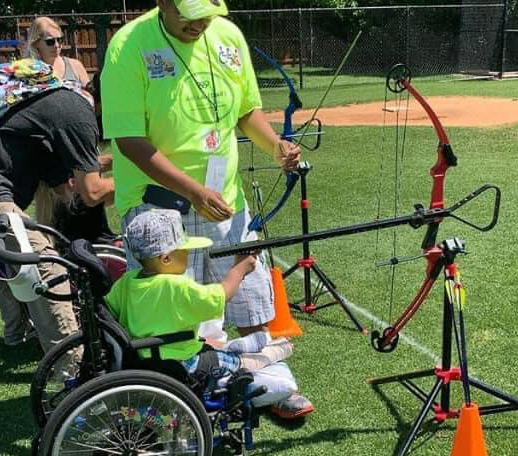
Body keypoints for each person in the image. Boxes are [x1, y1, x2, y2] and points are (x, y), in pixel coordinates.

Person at [101, 0, 313, 417]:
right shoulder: (128, 46)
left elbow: (246, 111)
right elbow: (128, 140)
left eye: (207, 12)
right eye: (189, 13)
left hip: (224, 200)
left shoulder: (227, 34)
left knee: (252, 295)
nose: (199, 22)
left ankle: (272, 382)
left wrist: (276, 146)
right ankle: (173, 393)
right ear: (163, 2)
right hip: (158, 208)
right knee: (169, 311)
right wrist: (194, 191)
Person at [105, 209, 311, 417]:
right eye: (183, 249)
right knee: (237, 364)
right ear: (166, 258)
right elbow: (219, 297)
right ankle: (275, 350)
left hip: (146, 359)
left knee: (217, 349)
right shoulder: (175, 285)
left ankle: (246, 346)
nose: (187, 253)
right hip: (183, 363)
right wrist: (240, 269)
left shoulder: (127, 281)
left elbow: (110, 307)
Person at [0, 58, 114, 357]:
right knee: (47, 267)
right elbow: (91, 192)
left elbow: (67, 189)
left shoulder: (47, 109)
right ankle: (72, 366)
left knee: (9, 257)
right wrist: (144, 179)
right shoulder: (77, 114)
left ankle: (15, 336)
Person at [26, 17, 90, 87]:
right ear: (36, 43)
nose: (56, 45)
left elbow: (89, 96)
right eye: (50, 41)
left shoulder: (75, 66)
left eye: (59, 40)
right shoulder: (27, 70)